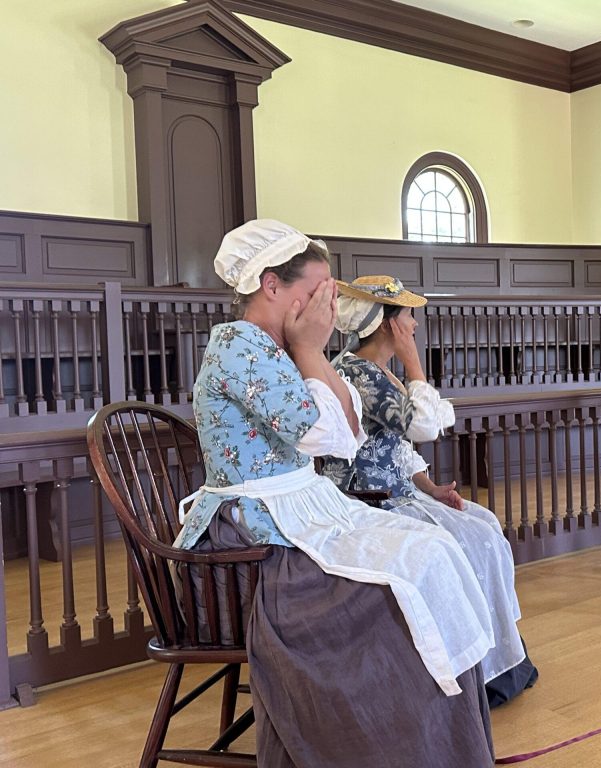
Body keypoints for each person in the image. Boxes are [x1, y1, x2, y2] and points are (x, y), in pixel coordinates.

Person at [174, 220, 496, 767]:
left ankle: (443, 746)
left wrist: (307, 348)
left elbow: (345, 433)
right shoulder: (238, 344)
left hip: (301, 503)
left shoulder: (281, 349)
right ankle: (383, 745)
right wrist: (310, 346)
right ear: (271, 285)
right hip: (250, 531)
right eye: (316, 291)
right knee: (397, 586)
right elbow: (316, 432)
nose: (325, 305)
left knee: (436, 550)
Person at [323, 275, 538, 707]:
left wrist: (431, 488)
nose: (415, 324)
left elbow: (397, 445)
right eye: (407, 316)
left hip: (400, 488)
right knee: (466, 541)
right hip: (371, 499)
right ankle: (470, 672)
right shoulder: (360, 374)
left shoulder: (375, 370)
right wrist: (414, 364)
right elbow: (422, 427)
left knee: (483, 524)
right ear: (387, 324)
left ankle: (498, 659)